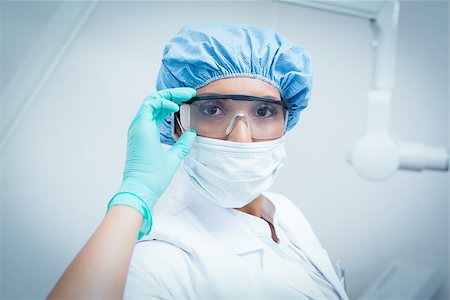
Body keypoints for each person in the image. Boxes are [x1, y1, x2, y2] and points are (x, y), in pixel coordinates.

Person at [49, 23, 348, 300]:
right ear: (178, 124)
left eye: (264, 112)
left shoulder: (286, 212)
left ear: (287, 120)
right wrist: (135, 194)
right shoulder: (163, 260)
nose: (241, 138)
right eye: (214, 110)